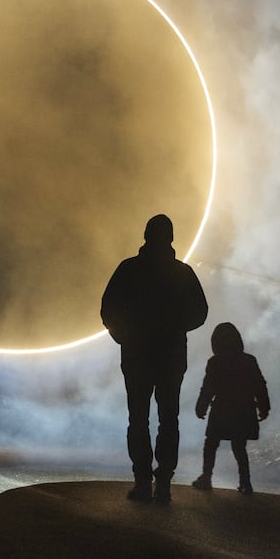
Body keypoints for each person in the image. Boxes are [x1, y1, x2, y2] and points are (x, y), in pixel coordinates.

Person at [100, 214, 208, 504]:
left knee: (139, 419)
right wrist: (174, 327)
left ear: (145, 235)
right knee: (167, 419)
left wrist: (125, 336)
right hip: (170, 357)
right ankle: (162, 483)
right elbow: (200, 313)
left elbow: (108, 309)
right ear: (170, 238)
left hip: (137, 356)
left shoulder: (129, 269)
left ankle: (144, 481)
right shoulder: (182, 273)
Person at [191, 322, 270, 495]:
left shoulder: (215, 362)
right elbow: (259, 385)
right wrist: (264, 407)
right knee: (239, 446)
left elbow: (208, 387)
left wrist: (201, 407)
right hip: (244, 409)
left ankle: (206, 477)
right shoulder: (249, 360)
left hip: (222, 409)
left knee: (211, 443)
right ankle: (245, 482)